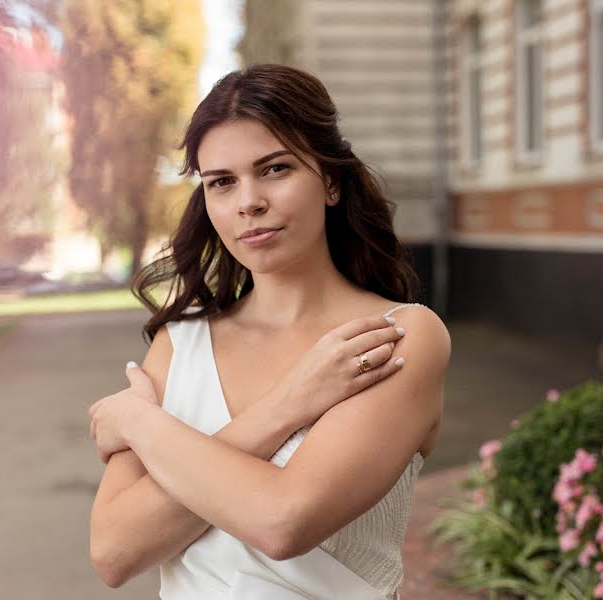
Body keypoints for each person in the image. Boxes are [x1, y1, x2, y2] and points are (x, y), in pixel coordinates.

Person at [87, 64, 451, 600]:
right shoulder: (180, 344)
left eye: (275, 169)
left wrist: (138, 422)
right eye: (222, 182)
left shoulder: (396, 337)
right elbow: (114, 554)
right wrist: (287, 406)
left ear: (330, 180)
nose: (248, 201)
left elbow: (282, 522)